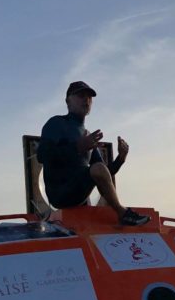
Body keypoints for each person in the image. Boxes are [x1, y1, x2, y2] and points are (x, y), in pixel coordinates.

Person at [37, 81, 149, 226]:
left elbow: (103, 173)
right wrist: (77, 147)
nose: (86, 100)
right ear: (68, 100)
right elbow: (42, 156)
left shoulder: (87, 135)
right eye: (81, 95)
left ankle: (122, 213)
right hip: (60, 194)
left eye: (89, 97)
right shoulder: (56, 123)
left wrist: (121, 159)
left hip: (79, 196)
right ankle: (122, 213)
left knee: (98, 168)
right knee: (96, 167)